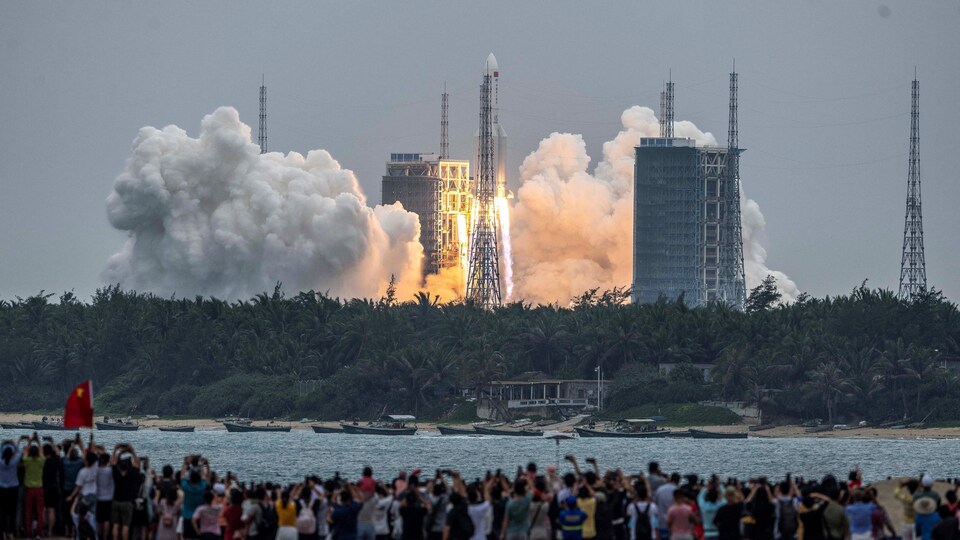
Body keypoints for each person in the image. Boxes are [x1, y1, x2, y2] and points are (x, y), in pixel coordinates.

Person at [111, 443, 144, 540]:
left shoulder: (116, 473)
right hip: (127, 502)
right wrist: (132, 451)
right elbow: (137, 464)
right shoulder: (132, 474)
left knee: (116, 525)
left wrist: (116, 450)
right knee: (126, 526)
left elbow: (112, 462)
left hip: (116, 500)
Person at [180, 455, 211, 540]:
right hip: (199, 517)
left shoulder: (186, 487)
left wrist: (186, 463)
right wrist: (203, 465)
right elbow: (205, 477)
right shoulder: (202, 487)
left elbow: (182, 476)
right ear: (199, 480)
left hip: (187, 517)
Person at [23, 434, 47, 539]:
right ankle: (38, 533)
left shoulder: (26, 461)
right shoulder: (41, 461)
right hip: (38, 489)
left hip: (28, 489)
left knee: (28, 512)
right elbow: (42, 452)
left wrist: (29, 441)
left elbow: (25, 452)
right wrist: (38, 442)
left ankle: (28, 534)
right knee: (39, 512)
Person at [40, 441, 61, 538]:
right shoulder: (55, 461)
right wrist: (53, 442)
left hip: (43, 488)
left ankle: (43, 530)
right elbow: (58, 454)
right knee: (52, 510)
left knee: (44, 510)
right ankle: (50, 531)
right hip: (54, 487)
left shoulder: (42, 461)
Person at [96, 450, 115, 540]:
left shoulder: (97, 470)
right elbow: (113, 463)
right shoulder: (111, 470)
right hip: (109, 498)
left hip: (99, 497)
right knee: (106, 520)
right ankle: (105, 537)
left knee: (99, 520)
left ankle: (98, 536)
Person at [653, 474, 679, 540]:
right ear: (678, 481)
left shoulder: (660, 489)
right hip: (674, 524)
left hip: (661, 522)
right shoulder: (677, 490)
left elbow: (654, 503)